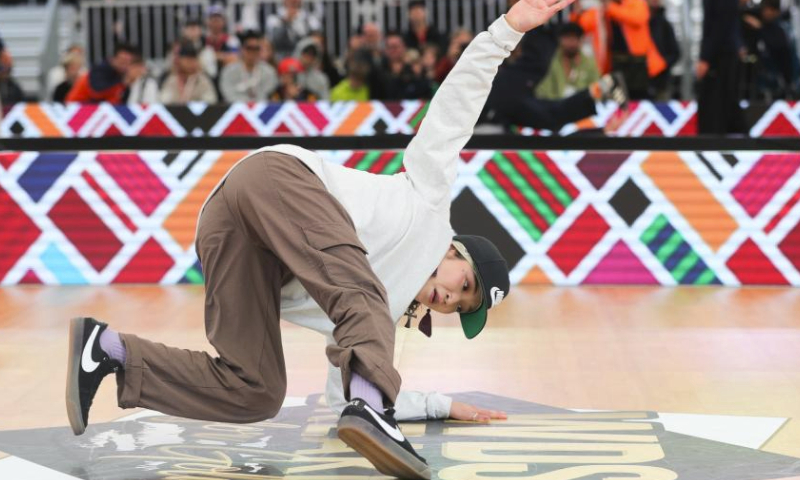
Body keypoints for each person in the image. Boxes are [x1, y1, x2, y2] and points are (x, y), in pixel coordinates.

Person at [65, 1, 572, 479]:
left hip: (230, 237)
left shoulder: (372, 320)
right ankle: (377, 410)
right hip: (278, 180)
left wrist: (440, 407)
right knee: (368, 298)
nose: (451, 298)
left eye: (461, 306)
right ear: (456, 251)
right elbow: (454, 111)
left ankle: (107, 350)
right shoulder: (430, 201)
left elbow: (341, 398)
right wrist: (507, 30)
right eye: (466, 284)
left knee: (256, 389)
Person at [572, 0, 666, 99]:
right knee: (619, 99)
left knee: (642, 99)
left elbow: (639, 18)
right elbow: (584, 25)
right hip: (615, 63)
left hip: (639, 63)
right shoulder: (604, 8)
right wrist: (576, 15)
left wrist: (611, 8)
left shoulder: (634, 2)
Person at [697, 0, 746, 134]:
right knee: (727, 100)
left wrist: (705, 57)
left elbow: (719, 24)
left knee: (717, 104)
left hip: (720, 54)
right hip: (725, 50)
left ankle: (717, 144)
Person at [535, 22, 600, 100]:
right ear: (560, 39)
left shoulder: (589, 63)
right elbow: (543, 91)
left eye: (575, 38)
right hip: (555, 107)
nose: (571, 42)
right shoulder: (550, 61)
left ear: (580, 40)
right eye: (567, 38)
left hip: (582, 108)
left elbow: (597, 91)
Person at [66, 43, 141, 104]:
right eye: (122, 61)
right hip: (78, 108)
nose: (124, 65)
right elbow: (97, 92)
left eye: (128, 62)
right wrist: (123, 83)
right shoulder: (100, 70)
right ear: (113, 59)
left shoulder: (122, 75)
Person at [219, 30, 278, 102]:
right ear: (242, 49)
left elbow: (267, 94)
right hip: (235, 108)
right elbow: (228, 94)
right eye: (249, 48)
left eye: (256, 49)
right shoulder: (228, 71)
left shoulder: (269, 71)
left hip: (261, 109)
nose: (252, 52)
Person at [647, 0, 680, 100]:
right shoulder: (640, 24)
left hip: (661, 81)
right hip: (640, 82)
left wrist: (662, 64)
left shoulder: (664, 24)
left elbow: (676, 53)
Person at [385, 33, 433, 100]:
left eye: (415, 63)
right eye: (390, 47)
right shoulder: (392, 79)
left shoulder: (425, 81)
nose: (410, 68)